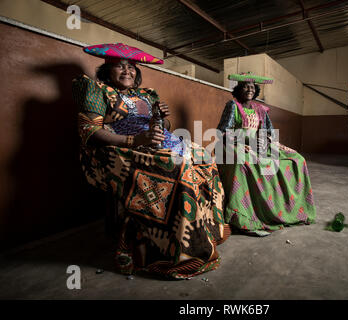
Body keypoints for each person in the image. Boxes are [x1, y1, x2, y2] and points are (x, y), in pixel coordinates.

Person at [72, 43, 229, 279]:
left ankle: (205, 231)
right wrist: (133, 141)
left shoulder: (146, 94)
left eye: (132, 67)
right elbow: (89, 132)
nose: (128, 71)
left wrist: (161, 119)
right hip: (116, 149)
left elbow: (163, 128)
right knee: (177, 167)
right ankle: (169, 247)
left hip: (154, 143)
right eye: (120, 67)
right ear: (106, 71)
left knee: (205, 157)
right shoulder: (97, 89)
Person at [216, 72, 316, 236]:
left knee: (297, 159)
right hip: (233, 145)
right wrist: (241, 142)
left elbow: (269, 132)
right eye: (245, 86)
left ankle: (289, 209)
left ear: (255, 90)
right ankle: (244, 216)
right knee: (244, 162)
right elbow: (222, 132)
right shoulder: (232, 106)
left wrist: (271, 143)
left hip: (258, 145)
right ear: (239, 89)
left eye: (252, 87)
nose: (249, 89)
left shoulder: (261, 109)